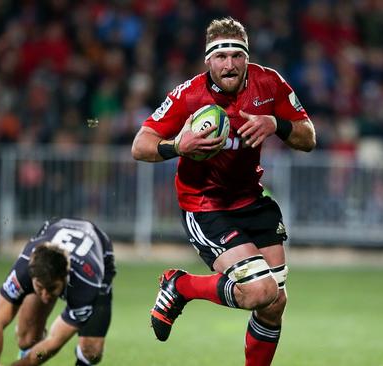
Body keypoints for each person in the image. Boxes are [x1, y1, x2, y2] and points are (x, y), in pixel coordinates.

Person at [131, 17, 316, 366]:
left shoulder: (269, 83)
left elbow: (309, 137)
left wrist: (277, 124)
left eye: (236, 55)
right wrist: (177, 146)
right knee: (261, 291)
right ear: (207, 60)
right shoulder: (189, 95)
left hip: (252, 200)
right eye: (220, 56)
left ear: (247, 58)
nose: (228, 64)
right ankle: (181, 286)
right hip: (206, 206)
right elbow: (140, 145)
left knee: (274, 303)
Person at [0, 217, 116, 366]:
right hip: (55, 228)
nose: (45, 296)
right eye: (39, 287)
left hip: (100, 257)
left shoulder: (86, 285)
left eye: (52, 288)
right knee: (27, 339)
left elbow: (54, 341)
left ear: (65, 276)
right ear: (31, 276)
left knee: (92, 350)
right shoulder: (22, 271)